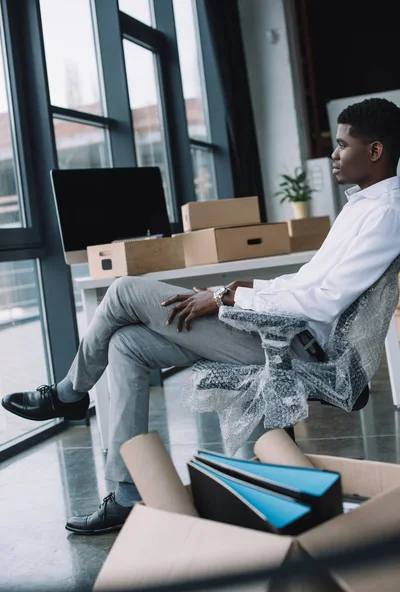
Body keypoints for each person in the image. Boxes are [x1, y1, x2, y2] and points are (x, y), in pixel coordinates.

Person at [3, 97, 400, 535]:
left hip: (296, 345)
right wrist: (233, 292)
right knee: (126, 344)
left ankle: (67, 393)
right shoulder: (363, 206)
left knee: (124, 290)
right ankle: (126, 493)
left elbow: (324, 301)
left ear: (376, 151)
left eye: (342, 145)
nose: (333, 154)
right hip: (282, 330)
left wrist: (229, 300)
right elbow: (309, 281)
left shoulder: (386, 213)